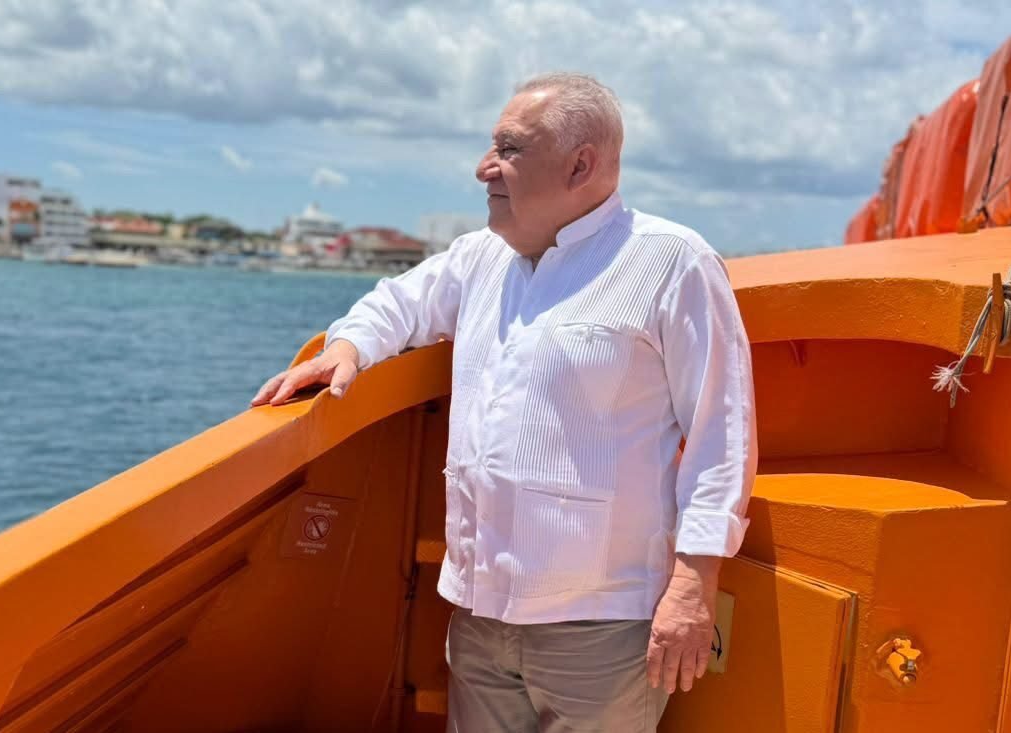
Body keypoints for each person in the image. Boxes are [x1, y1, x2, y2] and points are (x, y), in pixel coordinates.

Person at [252, 72, 757, 733]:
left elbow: (723, 432)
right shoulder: (481, 256)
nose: (483, 168)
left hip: (599, 628)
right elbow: (399, 303)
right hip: (481, 616)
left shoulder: (671, 262)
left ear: (581, 164)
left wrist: (693, 585)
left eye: (509, 149)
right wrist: (348, 347)